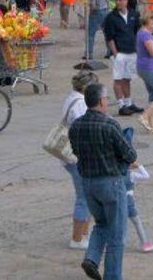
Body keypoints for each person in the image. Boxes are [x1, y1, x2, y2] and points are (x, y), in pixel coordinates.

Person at [68, 83, 138, 280]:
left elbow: (75, 152)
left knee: (102, 224)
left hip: (88, 183)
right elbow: (130, 155)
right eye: (107, 98)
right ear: (101, 101)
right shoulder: (109, 125)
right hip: (111, 183)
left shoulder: (76, 126)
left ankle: (91, 258)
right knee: (117, 235)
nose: (108, 101)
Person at [60, 70, 97, 250]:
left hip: (71, 155)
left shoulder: (72, 97)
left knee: (85, 196)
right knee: (84, 198)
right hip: (78, 156)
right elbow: (84, 131)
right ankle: (77, 238)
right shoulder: (81, 103)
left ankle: (83, 234)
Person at [103, 0, 142, 116]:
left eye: (121, 0)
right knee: (118, 79)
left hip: (132, 51)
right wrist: (115, 54)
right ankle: (121, 105)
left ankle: (128, 103)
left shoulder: (134, 14)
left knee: (127, 78)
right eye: (117, 0)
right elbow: (109, 37)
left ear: (126, 1)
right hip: (119, 53)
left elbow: (137, 32)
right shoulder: (111, 17)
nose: (119, 2)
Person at [120, 126, 153, 253]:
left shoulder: (117, 173)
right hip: (129, 201)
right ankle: (144, 243)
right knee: (137, 222)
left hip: (117, 199)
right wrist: (139, 165)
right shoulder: (131, 175)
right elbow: (146, 176)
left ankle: (117, 244)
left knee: (119, 224)